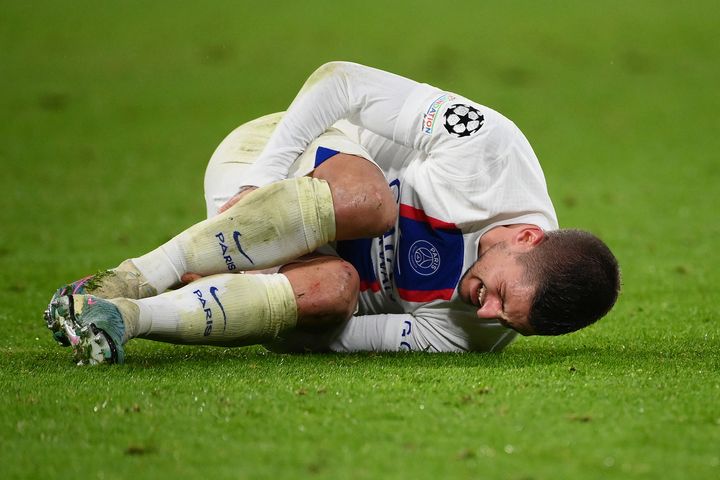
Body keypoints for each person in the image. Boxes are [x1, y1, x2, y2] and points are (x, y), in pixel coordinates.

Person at [44, 62, 620, 365]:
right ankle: (137, 274)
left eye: (506, 322)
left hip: (258, 267)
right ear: (527, 235)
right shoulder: (489, 149)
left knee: (336, 290)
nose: (487, 312)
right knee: (374, 202)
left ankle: (120, 318)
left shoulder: (477, 335)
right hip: (268, 163)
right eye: (501, 295)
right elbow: (340, 83)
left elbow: (332, 340)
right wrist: (259, 182)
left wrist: (261, 301)